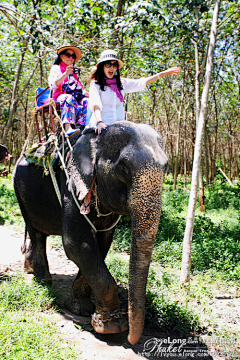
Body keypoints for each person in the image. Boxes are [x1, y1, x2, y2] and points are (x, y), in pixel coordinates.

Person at [80, 49, 180, 214]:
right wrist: (99, 121)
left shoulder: (122, 83)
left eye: (114, 65)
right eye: (107, 65)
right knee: (91, 159)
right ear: (101, 67)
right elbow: (96, 104)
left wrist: (164, 73)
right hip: (101, 127)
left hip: (120, 129)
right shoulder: (96, 85)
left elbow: (143, 82)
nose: (111, 68)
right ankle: (87, 195)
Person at [48, 45, 88, 135]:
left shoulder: (74, 72)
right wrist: (65, 74)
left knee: (87, 101)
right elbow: (53, 84)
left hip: (76, 97)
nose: (70, 57)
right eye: (68, 55)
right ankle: (67, 127)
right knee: (68, 98)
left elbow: (78, 87)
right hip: (60, 96)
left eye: (73, 56)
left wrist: (86, 93)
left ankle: (83, 124)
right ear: (61, 56)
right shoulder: (56, 68)